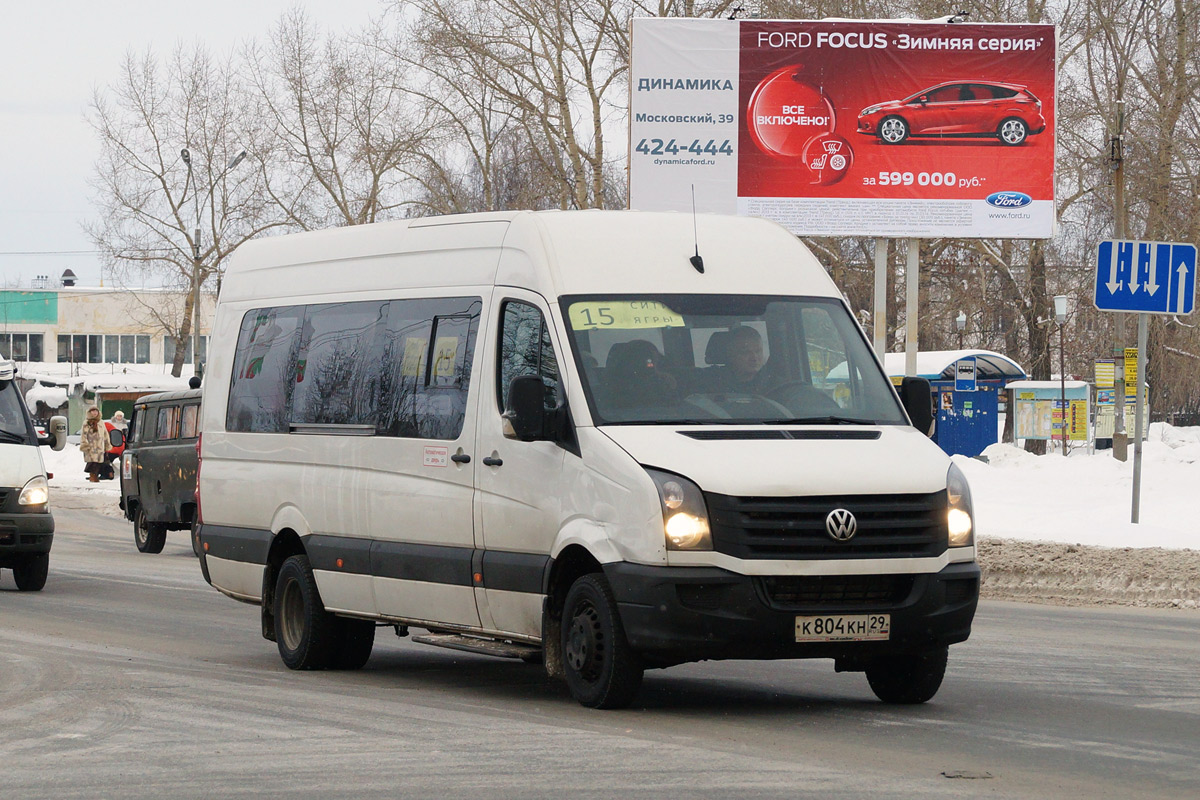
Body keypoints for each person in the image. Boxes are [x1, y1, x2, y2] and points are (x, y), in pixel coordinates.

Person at [80, 406, 108, 483]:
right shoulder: (86, 422)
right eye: (93, 411)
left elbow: (105, 433)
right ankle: (92, 476)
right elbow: (84, 434)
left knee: (99, 462)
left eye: (96, 411)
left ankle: (95, 475)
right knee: (92, 462)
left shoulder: (101, 422)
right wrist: (85, 444)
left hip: (100, 446)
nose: (95, 413)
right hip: (91, 446)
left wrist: (107, 443)